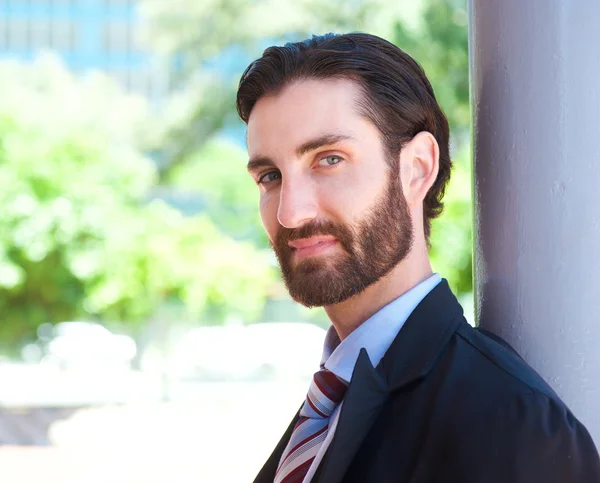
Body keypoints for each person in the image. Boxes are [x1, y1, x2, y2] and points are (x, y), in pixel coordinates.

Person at [236, 32, 600, 483]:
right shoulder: (331, 402)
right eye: (270, 175)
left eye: (328, 159)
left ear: (417, 168)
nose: (291, 212)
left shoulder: (506, 422)